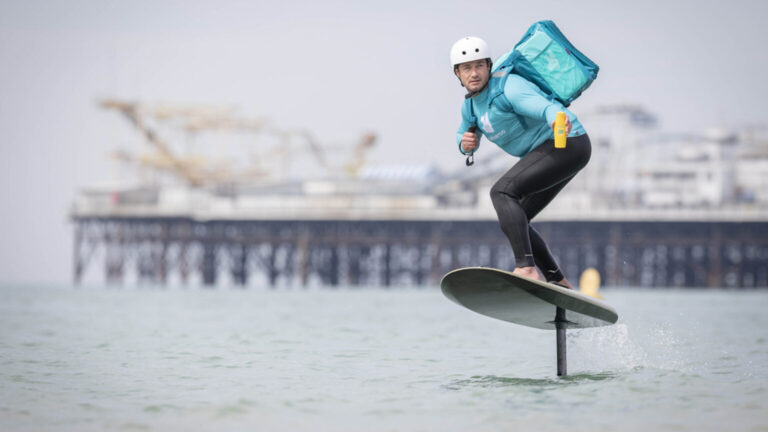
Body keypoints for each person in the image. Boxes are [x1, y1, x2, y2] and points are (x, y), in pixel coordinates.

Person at [451, 36, 592, 289]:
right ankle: (558, 281)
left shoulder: (508, 87)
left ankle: (526, 268)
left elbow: (543, 107)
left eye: (479, 66)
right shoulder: (470, 108)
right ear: (457, 74)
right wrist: (466, 144)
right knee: (517, 220)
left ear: (489, 66)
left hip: (566, 143)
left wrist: (555, 116)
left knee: (502, 192)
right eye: (466, 68)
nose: (474, 73)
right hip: (555, 150)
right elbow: (463, 135)